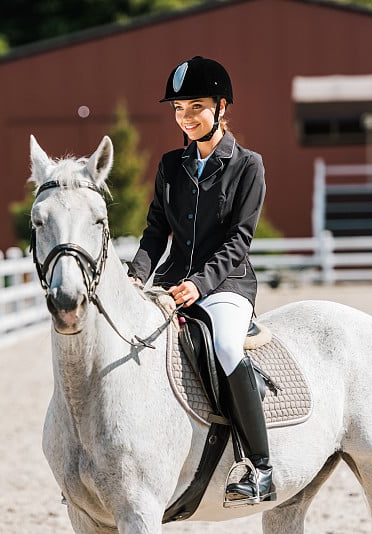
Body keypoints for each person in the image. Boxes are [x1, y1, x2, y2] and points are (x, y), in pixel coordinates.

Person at [127, 56, 274, 505]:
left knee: (227, 346)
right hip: (172, 281)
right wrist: (134, 277)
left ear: (222, 107)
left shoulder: (248, 166)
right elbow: (155, 232)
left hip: (227, 284)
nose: (186, 117)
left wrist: (201, 285)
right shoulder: (171, 165)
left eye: (195, 106)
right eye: (177, 109)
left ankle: (259, 467)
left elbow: (238, 242)